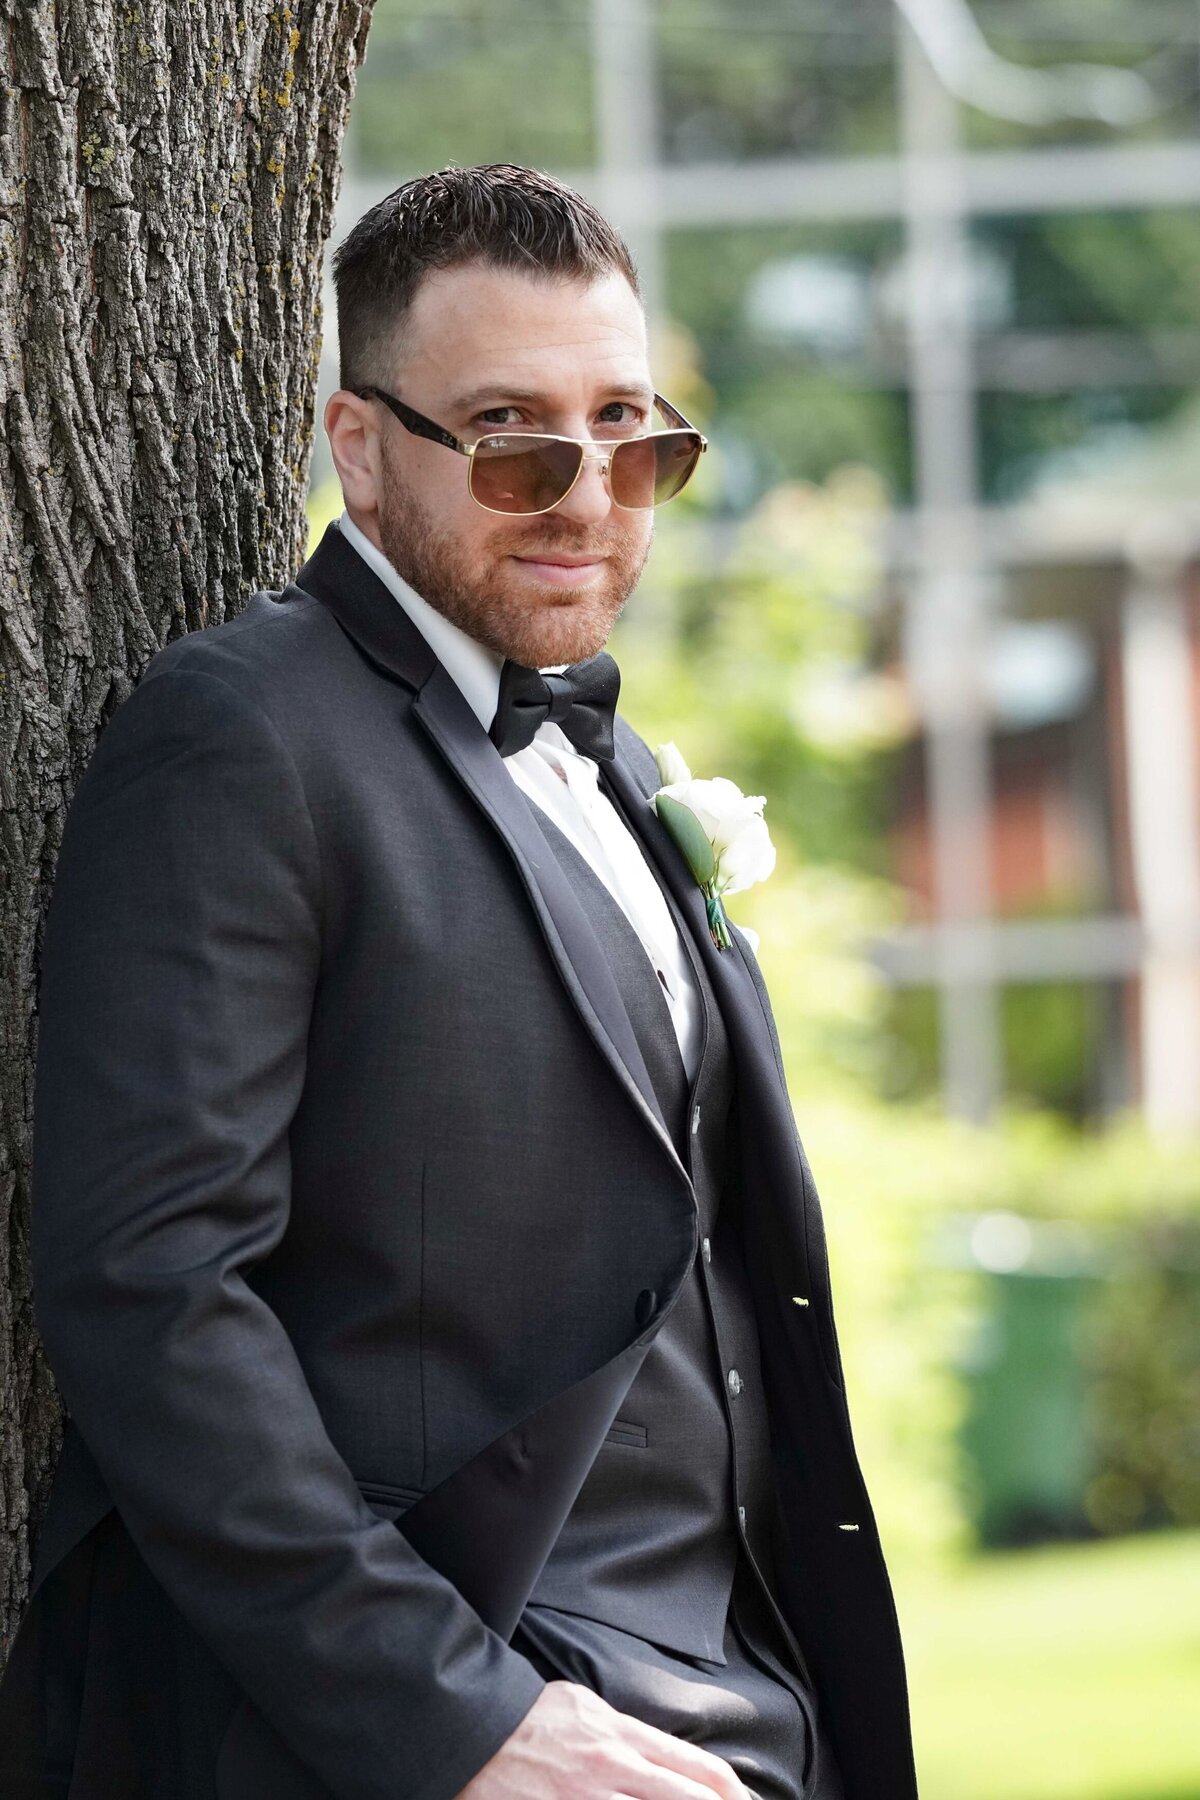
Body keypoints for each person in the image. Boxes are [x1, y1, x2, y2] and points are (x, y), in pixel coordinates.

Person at [0, 163, 918, 1800]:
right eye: (510, 435)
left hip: (740, 1690)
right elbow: (145, 1284)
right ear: (360, 448)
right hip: (426, 1707)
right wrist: (459, 1722)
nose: (587, 492)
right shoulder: (242, 737)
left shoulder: (619, 768)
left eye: (630, 432)